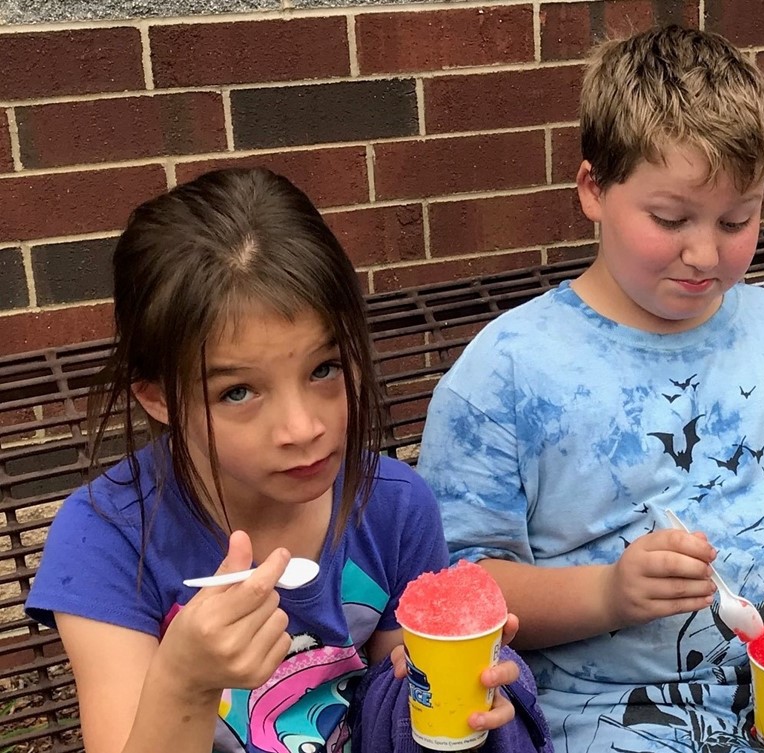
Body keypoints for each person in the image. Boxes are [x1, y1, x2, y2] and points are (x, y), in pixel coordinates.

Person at [417, 24, 764, 753]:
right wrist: (609, 594)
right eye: (670, 218)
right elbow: (461, 590)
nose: (704, 252)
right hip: (618, 713)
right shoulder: (506, 373)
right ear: (593, 189)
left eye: (736, 219)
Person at [25, 168, 537, 753]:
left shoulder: (393, 506)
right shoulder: (106, 538)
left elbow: (400, 706)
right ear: (158, 397)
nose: (304, 428)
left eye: (324, 369)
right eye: (238, 392)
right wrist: (186, 681)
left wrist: (460, 688)